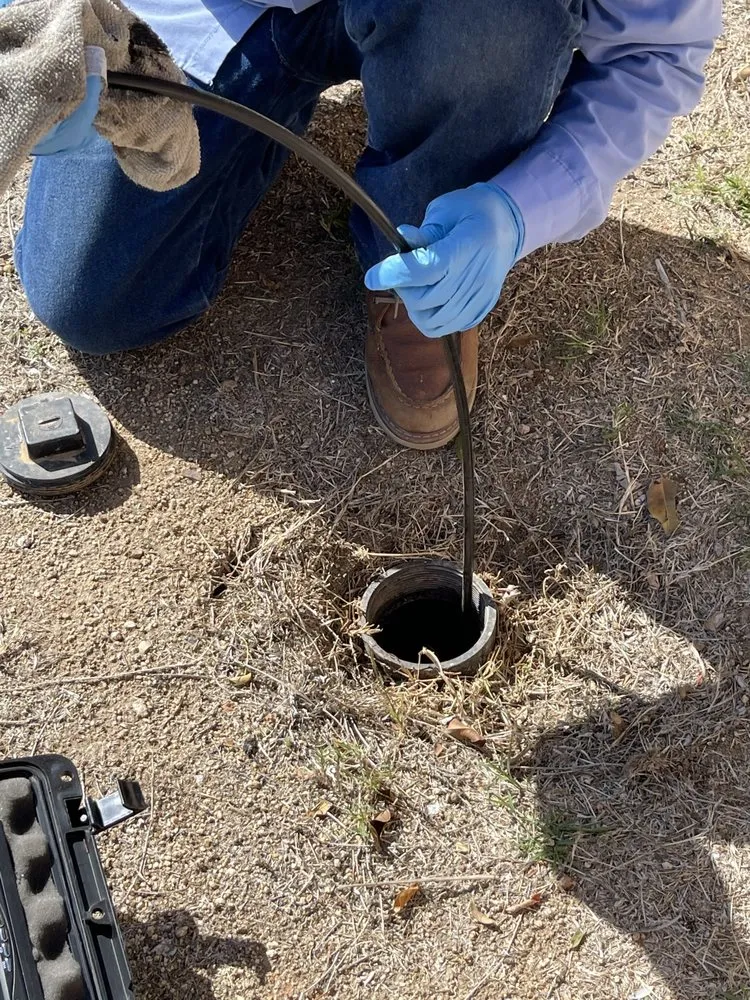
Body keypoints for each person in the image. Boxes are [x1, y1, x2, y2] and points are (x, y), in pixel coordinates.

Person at [4, 0, 722, 450]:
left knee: (490, 21)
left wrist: (517, 209)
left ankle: (415, 248)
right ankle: (267, 109)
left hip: (460, 17)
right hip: (215, 11)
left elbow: (653, 57)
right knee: (97, 299)